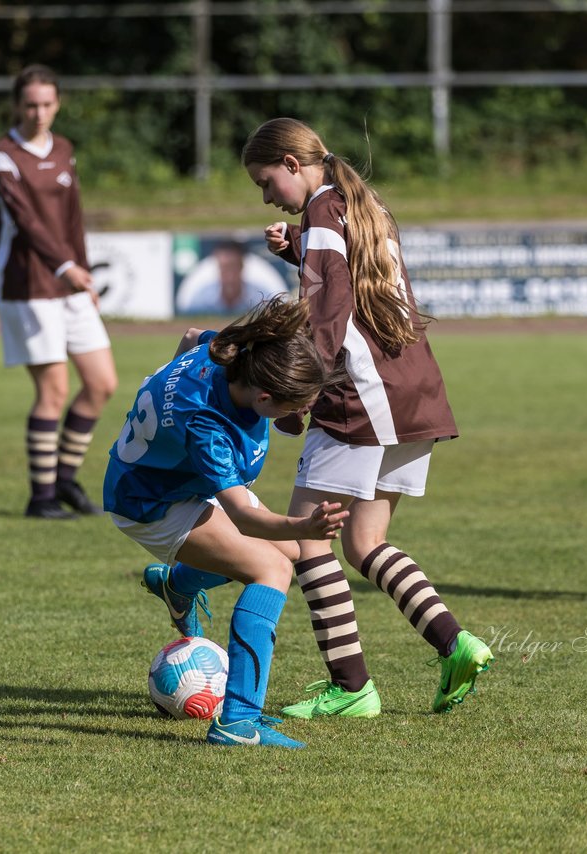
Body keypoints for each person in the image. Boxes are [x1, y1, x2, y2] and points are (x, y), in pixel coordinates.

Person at [236, 117, 493, 720]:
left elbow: (326, 318)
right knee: (364, 541)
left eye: (266, 180)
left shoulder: (323, 215)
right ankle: (456, 644)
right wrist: (296, 249)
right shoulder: (359, 202)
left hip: (362, 395)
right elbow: (351, 276)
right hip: (415, 390)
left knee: (303, 537)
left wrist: (296, 398)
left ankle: (352, 688)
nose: (267, 195)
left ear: (293, 165)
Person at [105, 297, 349, 748]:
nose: (305, 411)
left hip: (179, 480)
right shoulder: (209, 429)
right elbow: (243, 516)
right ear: (264, 397)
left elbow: (190, 336)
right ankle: (238, 722)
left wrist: (169, 405)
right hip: (150, 502)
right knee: (271, 568)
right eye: (299, 404)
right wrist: (304, 524)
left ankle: (178, 586)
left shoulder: (232, 353)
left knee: (288, 553)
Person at [0, 64, 118, 519]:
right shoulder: (2, 156)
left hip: (69, 286)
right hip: (28, 288)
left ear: (57, 103)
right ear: (17, 105)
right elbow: (27, 222)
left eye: (46, 104)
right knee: (54, 389)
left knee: (102, 383)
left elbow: (72, 220)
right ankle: (40, 497)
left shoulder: (64, 150)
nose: (39, 112)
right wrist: (65, 267)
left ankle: (64, 481)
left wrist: (81, 272)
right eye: (30, 104)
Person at [174, 240, 290, 314]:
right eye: (224, 268)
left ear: (242, 267)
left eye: (233, 267)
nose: (229, 274)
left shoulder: (262, 296)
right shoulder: (201, 298)